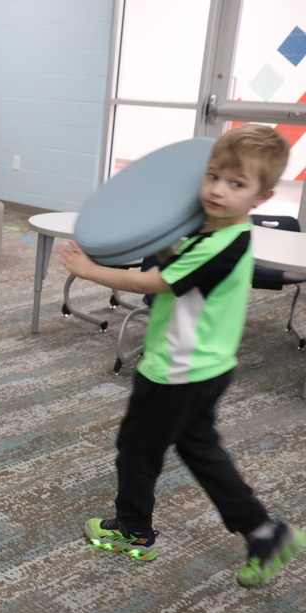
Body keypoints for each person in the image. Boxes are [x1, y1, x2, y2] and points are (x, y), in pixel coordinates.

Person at [59, 124, 305, 587]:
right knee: (199, 449)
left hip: (178, 370)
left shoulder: (219, 245)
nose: (217, 190)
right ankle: (264, 532)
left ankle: (133, 529)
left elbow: (157, 282)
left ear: (263, 196)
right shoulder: (219, 234)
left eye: (236, 184)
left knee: (137, 448)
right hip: (202, 366)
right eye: (213, 176)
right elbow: (167, 258)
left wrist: (91, 270)